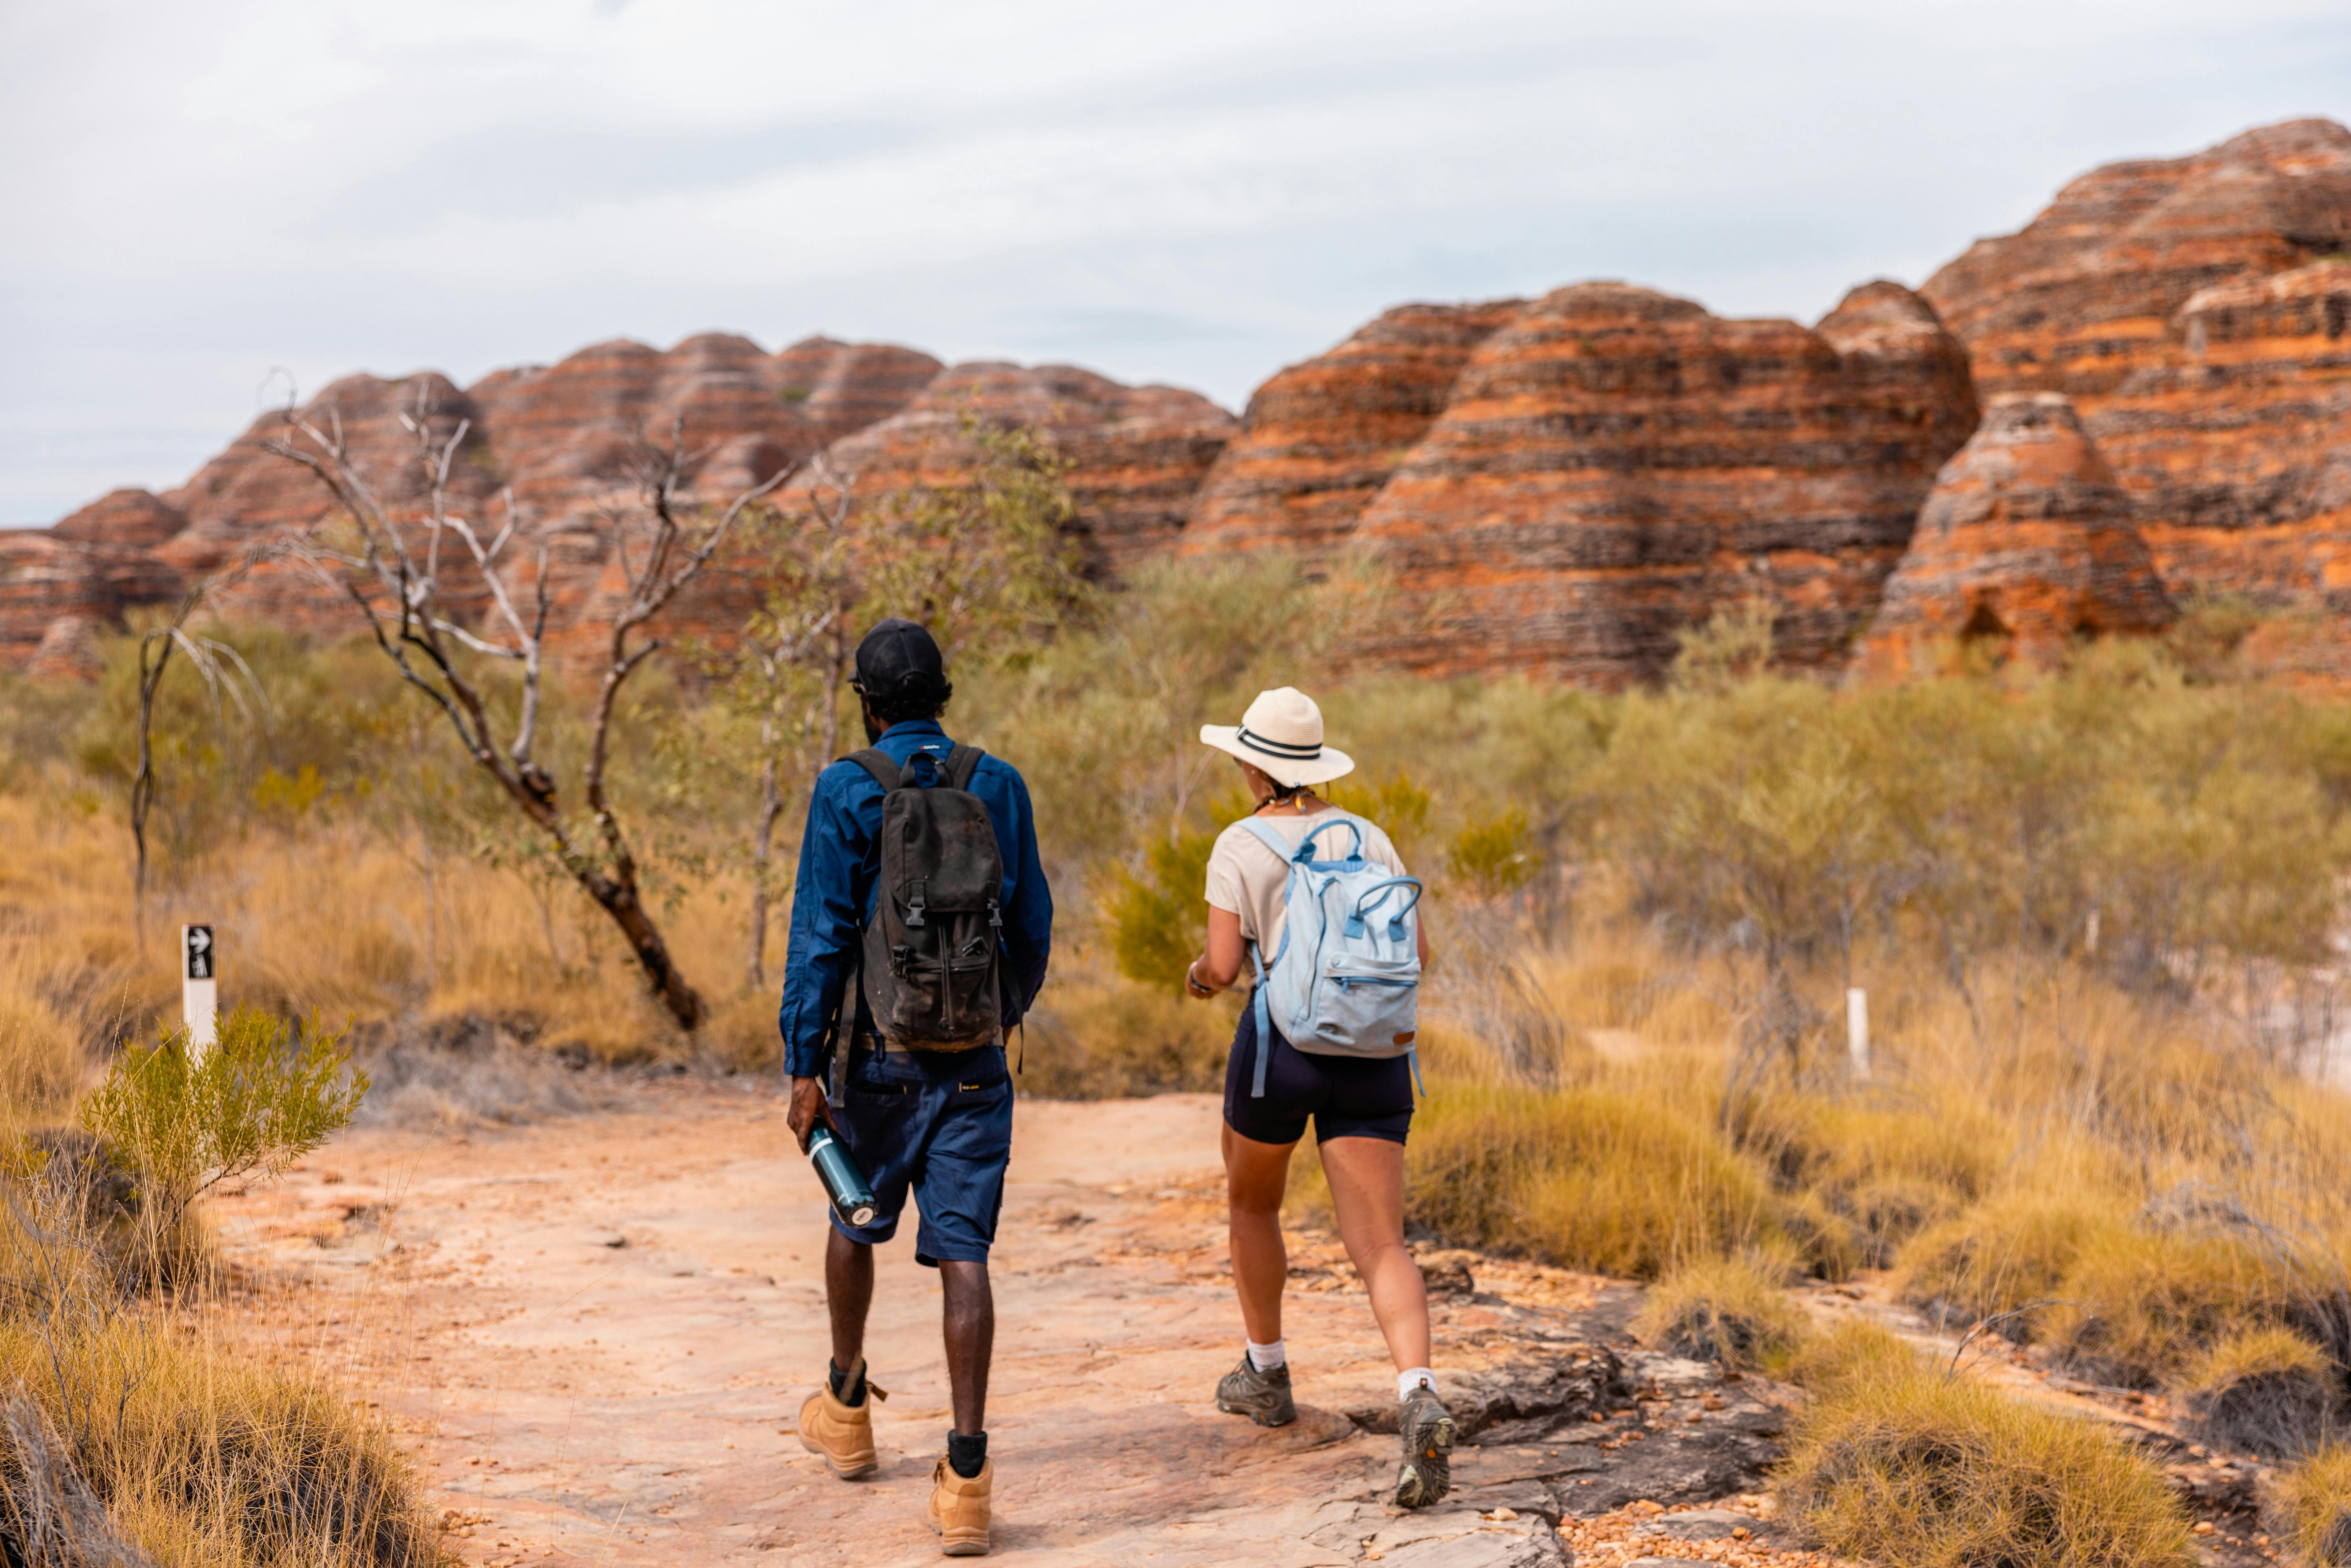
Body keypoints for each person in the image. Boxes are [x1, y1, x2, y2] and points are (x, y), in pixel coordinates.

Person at [779, 617, 1052, 1558]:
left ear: (866, 701)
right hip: (975, 1067)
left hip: (873, 1064)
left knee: (852, 1219)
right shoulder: (998, 783)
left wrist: (803, 1064)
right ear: (943, 692)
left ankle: (847, 1409)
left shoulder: (847, 789)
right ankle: (967, 1481)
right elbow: (1032, 927)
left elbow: (818, 934)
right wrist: (992, 1020)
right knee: (964, 1254)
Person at [1181, 686, 1455, 1509]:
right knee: (1381, 1244)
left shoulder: (1240, 842)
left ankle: (1266, 1374)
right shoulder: (1369, 834)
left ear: (1248, 763)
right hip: (1374, 1055)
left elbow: (1224, 967)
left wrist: (1197, 978)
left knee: (1252, 1204)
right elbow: (1420, 948)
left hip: (1281, 1049)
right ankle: (1418, 1391)